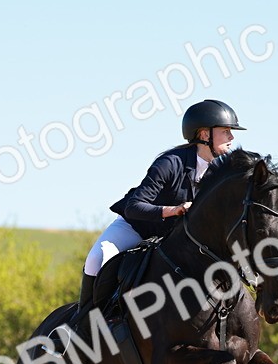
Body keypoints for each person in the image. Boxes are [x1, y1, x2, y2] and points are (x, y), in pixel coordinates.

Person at [75, 99, 246, 317]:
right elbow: (134, 206)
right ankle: (83, 322)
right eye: (226, 131)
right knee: (97, 258)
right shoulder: (170, 163)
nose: (232, 137)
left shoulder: (220, 175)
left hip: (173, 240)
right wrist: (172, 210)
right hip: (137, 227)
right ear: (205, 135)